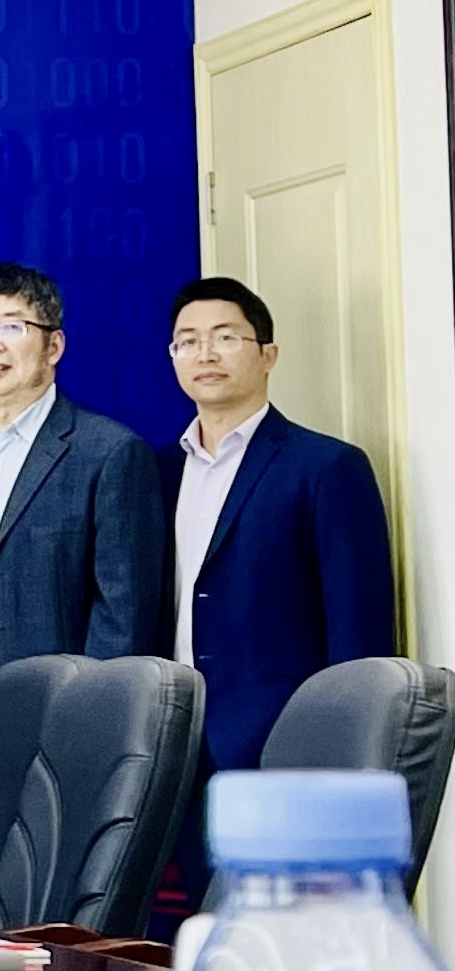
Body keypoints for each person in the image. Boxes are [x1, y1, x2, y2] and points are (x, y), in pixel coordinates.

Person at [0, 262, 167, 765]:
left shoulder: (109, 451)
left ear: (53, 346)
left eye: (11, 327)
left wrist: (91, 723)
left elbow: (123, 616)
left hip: (60, 717)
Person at [160, 272, 394, 778]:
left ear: (268, 355)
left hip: (282, 739)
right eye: (188, 342)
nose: (206, 354)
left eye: (226, 337)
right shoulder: (157, 472)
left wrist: (344, 749)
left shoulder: (327, 467)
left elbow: (358, 634)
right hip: (168, 739)